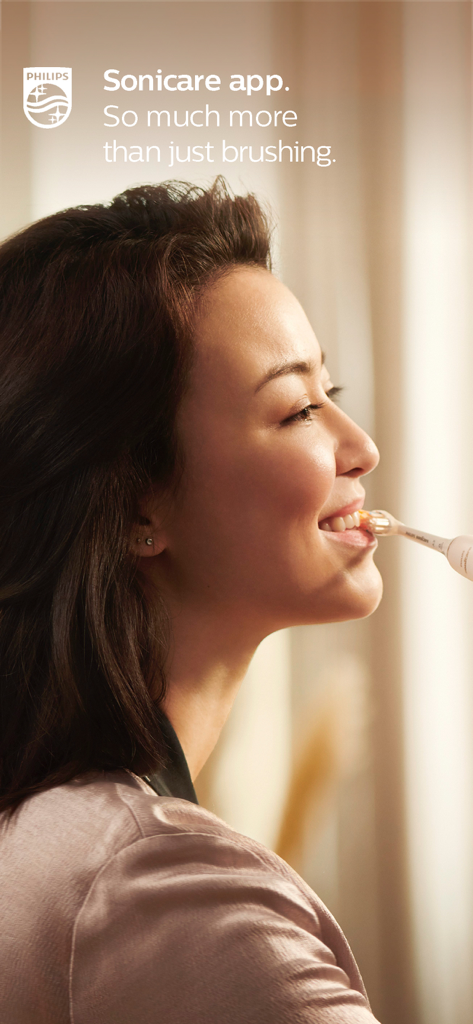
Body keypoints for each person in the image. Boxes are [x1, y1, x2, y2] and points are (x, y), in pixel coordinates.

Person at [0, 178, 382, 1023]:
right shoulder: (168, 900)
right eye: (294, 410)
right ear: (138, 506)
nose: (360, 447)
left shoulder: (47, 832)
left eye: (334, 396)